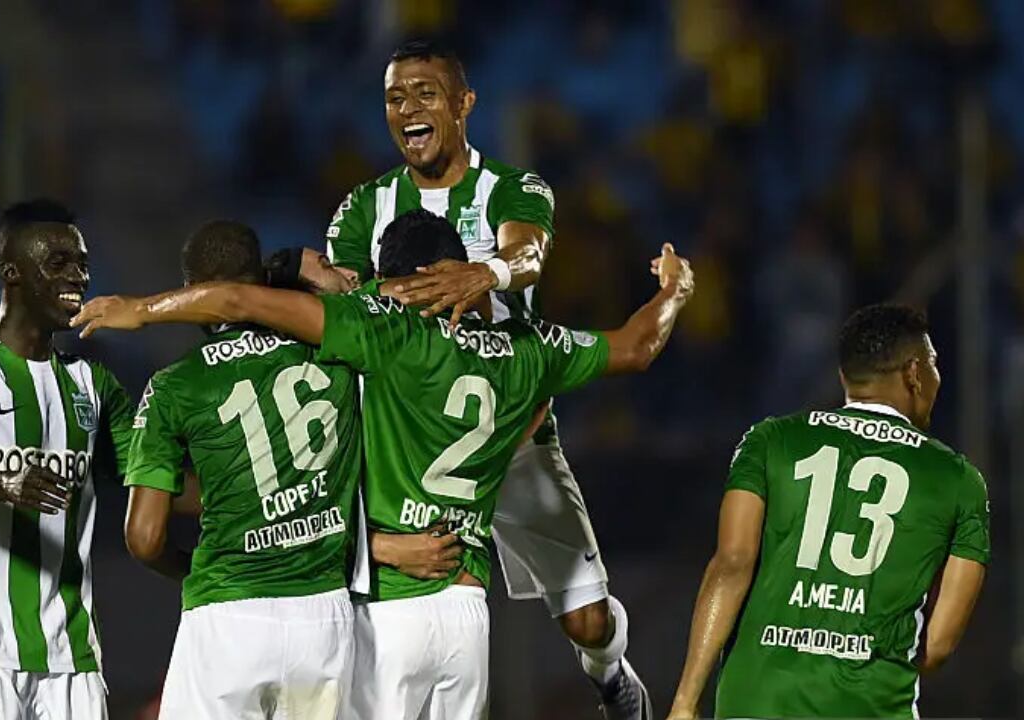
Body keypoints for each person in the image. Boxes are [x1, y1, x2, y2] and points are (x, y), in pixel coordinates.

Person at [72, 209, 695, 719]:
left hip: (380, 610)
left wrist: (142, 309)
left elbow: (241, 300)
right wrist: (674, 289)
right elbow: (637, 346)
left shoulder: (382, 333)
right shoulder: (528, 351)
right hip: (464, 611)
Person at [323, 38, 651, 716]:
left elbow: (528, 253)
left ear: (465, 103)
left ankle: (611, 674)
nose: (409, 108)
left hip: (510, 427)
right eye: (394, 96)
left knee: (588, 623)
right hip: (407, 439)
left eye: (425, 93)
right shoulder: (362, 208)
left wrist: (489, 273)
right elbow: (343, 301)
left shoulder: (512, 186)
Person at [667, 304, 989, 719]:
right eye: (933, 364)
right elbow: (939, 645)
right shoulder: (959, 480)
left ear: (844, 377)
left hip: (757, 700)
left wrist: (685, 702)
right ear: (913, 372)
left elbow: (731, 564)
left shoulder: (770, 440)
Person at [122, 221, 363, 720]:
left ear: (194, 295)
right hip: (323, 616)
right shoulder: (336, 348)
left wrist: (188, 570)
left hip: (227, 612)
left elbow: (144, 537)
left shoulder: (175, 386)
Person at [0, 199, 134, 719]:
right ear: (11, 273)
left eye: (82, 262)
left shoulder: (94, 384)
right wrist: (3, 483)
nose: (78, 276)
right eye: (58, 262)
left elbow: (153, 479)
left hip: (75, 655)